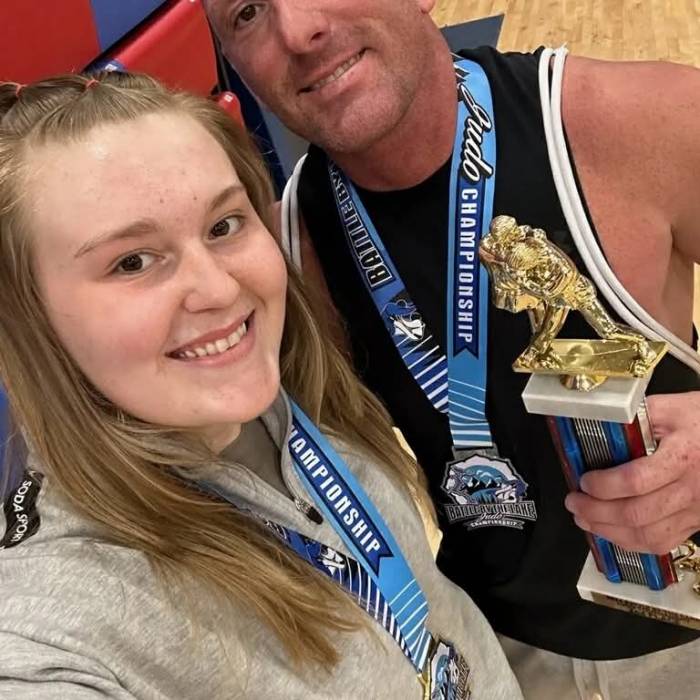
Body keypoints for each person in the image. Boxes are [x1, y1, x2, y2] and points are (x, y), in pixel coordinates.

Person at [204, 0, 700, 698]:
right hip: (491, 652)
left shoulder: (639, 118)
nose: (299, 30)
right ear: (232, 61)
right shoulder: (281, 257)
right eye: (248, 12)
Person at [0, 72, 523, 699]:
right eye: (132, 261)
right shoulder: (58, 615)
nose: (222, 289)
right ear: (27, 317)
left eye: (223, 225)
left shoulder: (294, 377)